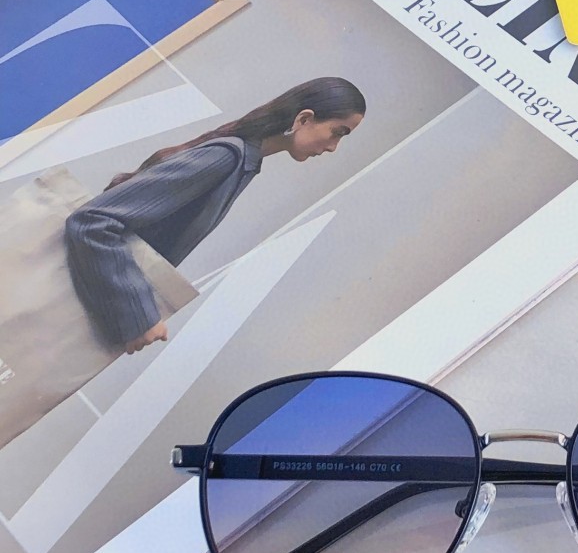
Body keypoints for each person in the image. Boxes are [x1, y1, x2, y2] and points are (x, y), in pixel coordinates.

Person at [65, 77, 366, 355]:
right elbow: (93, 221)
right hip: (73, 306)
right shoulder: (225, 158)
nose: (333, 147)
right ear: (304, 119)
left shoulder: (240, 162)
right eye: (337, 132)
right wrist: (139, 316)